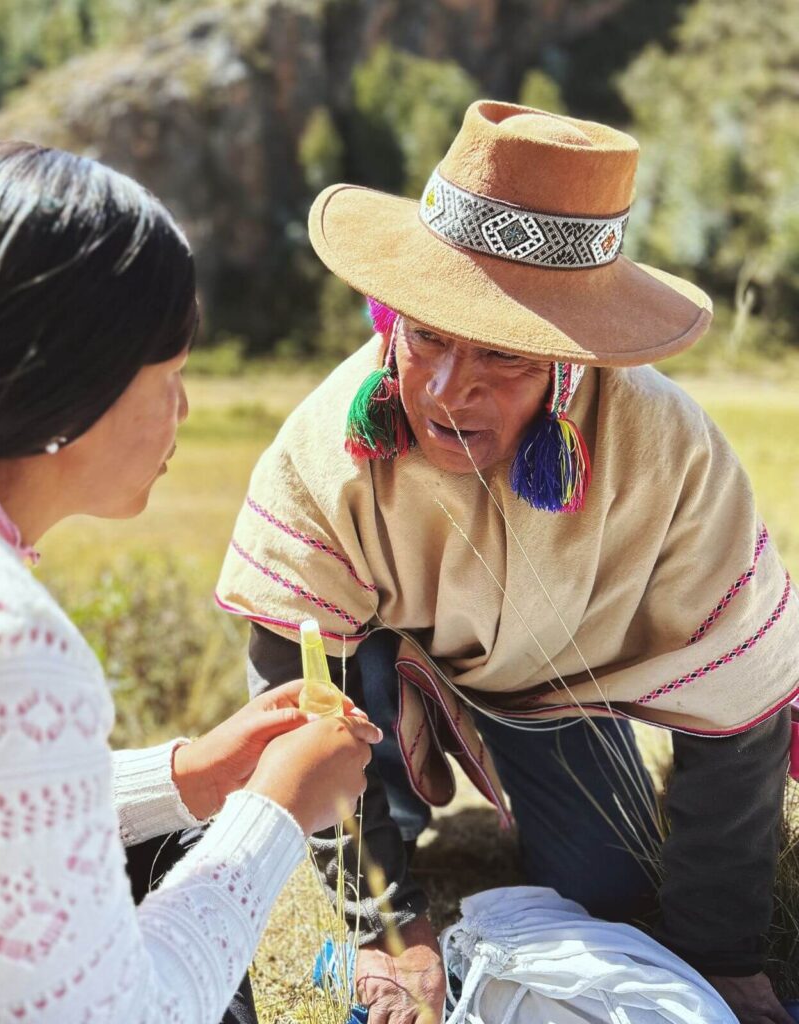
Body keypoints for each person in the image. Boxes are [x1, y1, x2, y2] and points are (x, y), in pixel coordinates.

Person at [216, 101, 799, 1024]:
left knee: (608, 886)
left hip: (548, 685)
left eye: (502, 356)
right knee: (342, 704)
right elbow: (293, 694)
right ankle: (393, 826)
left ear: (574, 366)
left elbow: (740, 708)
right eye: (429, 338)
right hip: (370, 668)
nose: (448, 391)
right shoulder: (324, 452)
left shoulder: (673, 456)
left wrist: (719, 958)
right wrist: (385, 926)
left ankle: (522, 781)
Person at [0, 141, 381, 1023]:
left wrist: (190, 777)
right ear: (69, 381)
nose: (184, 409)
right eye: (170, 375)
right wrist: (277, 812)